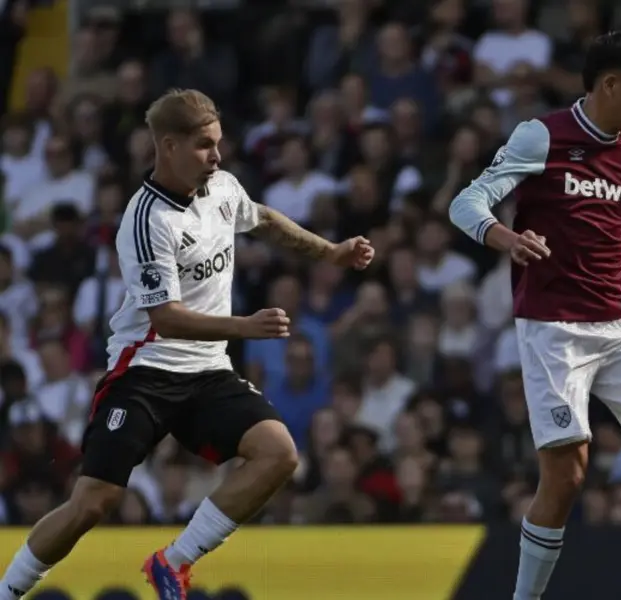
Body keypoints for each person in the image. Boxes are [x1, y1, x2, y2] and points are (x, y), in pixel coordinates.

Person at [0, 89, 374, 600]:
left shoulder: (222, 187)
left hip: (207, 370)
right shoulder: (145, 220)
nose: (217, 156)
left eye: (218, 143)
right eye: (204, 145)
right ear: (168, 146)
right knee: (92, 502)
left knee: (279, 454)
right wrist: (245, 326)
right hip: (144, 370)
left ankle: (172, 561)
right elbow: (167, 319)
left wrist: (330, 252)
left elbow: (262, 218)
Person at [448, 33, 621, 600]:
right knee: (566, 476)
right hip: (553, 327)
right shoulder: (542, 135)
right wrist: (507, 238)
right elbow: (465, 203)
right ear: (609, 84)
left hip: (619, 324)